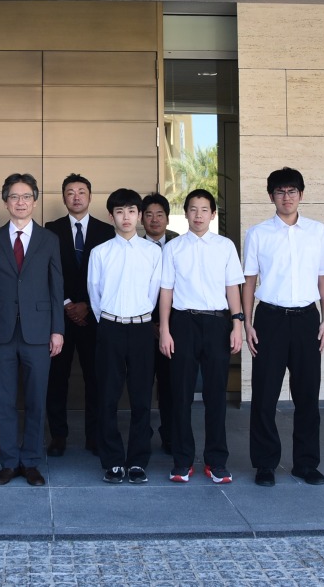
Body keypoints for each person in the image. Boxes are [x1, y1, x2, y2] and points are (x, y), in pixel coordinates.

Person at [241, 167, 324, 488]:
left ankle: (306, 464)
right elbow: (249, 281)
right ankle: (265, 463)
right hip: (269, 319)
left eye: (292, 191)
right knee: (264, 395)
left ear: (301, 195)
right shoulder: (257, 233)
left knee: (307, 394)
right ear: (271, 196)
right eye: (280, 192)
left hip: (307, 319)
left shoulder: (318, 231)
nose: (286, 197)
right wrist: (247, 322)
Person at [0, 173, 64, 486]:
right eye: (14, 197)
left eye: (26, 196)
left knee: (37, 399)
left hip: (39, 332)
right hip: (0, 332)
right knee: (3, 400)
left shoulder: (49, 240)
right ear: (5, 202)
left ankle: (31, 462)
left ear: (35, 201)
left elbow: (57, 287)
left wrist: (58, 330)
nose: (21, 202)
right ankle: (9, 462)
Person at [157, 189, 244, 484]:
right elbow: (166, 290)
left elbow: (233, 287)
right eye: (192, 209)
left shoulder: (225, 246)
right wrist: (165, 329)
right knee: (180, 395)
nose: (198, 215)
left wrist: (238, 324)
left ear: (213, 214)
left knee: (216, 395)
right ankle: (182, 461)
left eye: (204, 209)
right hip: (183, 323)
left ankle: (216, 461)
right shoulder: (173, 248)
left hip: (217, 324)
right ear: (186, 213)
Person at [88, 188, 162, 484]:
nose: (126, 217)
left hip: (143, 328)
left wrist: (140, 318)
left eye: (132, 211)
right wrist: (110, 321)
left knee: (142, 398)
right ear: (111, 216)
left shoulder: (153, 252)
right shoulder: (100, 252)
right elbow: (95, 294)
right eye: (120, 212)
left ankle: (138, 461)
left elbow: (154, 293)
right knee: (107, 397)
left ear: (140, 215)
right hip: (110, 328)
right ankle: (113, 460)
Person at [45, 173, 113, 456]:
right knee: (56, 379)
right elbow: (46, 272)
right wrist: (66, 303)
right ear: (64, 198)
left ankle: (94, 436)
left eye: (81, 191)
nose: (76, 196)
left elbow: (110, 276)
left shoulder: (106, 231)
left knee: (95, 379)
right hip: (60, 317)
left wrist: (86, 303)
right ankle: (58, 437)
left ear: (89, 196)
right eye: (70, 192)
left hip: (94, 317)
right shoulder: (50, 229)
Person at [141, 192, 178, 454]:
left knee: (171, 386)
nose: (154, 219)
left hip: (175, 329)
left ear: (167, 217)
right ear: (141, 218)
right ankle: (142, 436)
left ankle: (170, 435)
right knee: (141, 385)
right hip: (142, 328)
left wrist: (166, 325)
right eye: (149, 214)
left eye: (160, 214)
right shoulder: (131, 243)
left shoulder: (180, 243)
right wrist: (151, 323)